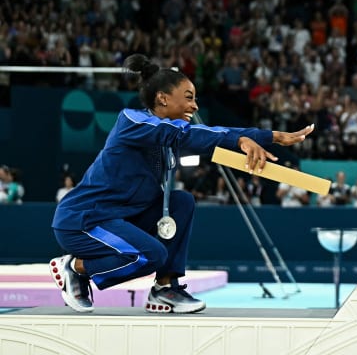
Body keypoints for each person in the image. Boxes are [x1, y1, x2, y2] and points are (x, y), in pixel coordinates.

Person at [50, 54, 314, 314]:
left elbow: (201, 140)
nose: (195, 106)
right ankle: (76, 268)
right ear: (162, 98)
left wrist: (267, 138)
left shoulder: (167, 139)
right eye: (189, 98)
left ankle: (165, 287)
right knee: (151, 254)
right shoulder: (130, 120)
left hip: (123, 219)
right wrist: (249, 138)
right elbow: (186, 135)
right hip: (84, 220)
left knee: (182, 201)